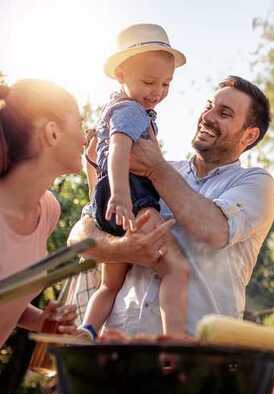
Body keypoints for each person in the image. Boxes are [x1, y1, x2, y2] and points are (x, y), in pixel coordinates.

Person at [68, 75, 274, 337]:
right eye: (209, 105)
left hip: (194, 359)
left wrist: (156, 169)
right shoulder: (158, 168)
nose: (208, 116)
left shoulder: (256, 183)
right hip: (119, 346)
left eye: (224, 113)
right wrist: (122, 249)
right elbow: (80, 235)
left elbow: (213, 230)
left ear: (249, 135)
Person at [82, 23, 190, 338]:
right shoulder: (131, 111)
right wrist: (121, 196)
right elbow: (118, 151)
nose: (157, 92)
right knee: (176, 269)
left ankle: (87, 328)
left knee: (109, 285)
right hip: (131, 193)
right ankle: (175, 337)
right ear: (121, 75)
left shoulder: (118, 107)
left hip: (108, 199)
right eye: (148, 82)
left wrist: (109, 198)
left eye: (166, 84)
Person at [0, 79, 82, 346]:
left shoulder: (47, 210)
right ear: (53, 133)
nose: (85, 137)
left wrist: (43, 323)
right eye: (79, 124)